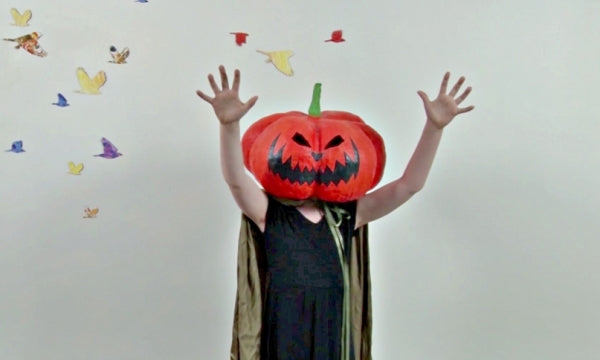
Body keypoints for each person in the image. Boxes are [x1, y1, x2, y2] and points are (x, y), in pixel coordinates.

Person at [196, 65, 474, 360]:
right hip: (284, 323)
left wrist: (434, 128)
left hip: (333, 323)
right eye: (300, 144)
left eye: (332, 147)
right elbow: (236, 180)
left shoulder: (347, 215)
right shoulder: (269, 213)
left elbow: (408, 186)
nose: (316, 155)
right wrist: (228, 127)